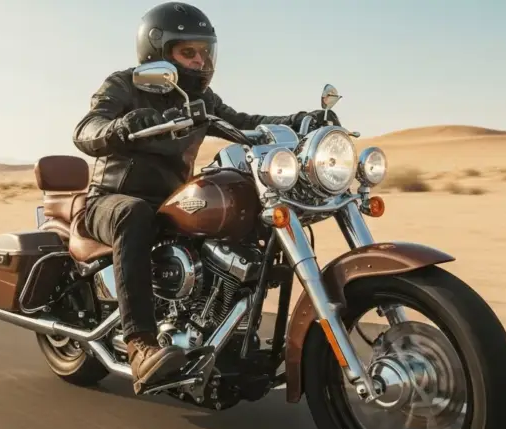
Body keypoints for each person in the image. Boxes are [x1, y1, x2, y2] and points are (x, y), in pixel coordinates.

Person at [72, 1, 335, 394]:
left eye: (205, 52)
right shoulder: (123, 84)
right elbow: (86, 129)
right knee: (134, 215)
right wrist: (123, 126)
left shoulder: (202, 99)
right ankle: (140, 344)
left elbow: (243, 123)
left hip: (171, 203)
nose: (200, 62)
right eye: (188, 52)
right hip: (110, 201)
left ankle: (226, 336)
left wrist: (297, 121)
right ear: (157, 53)